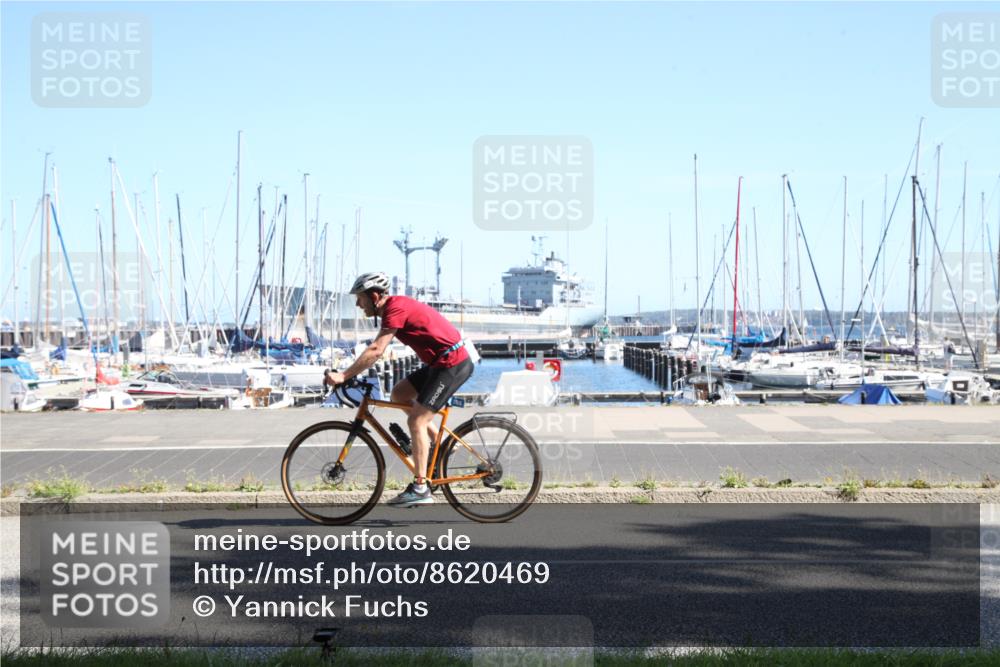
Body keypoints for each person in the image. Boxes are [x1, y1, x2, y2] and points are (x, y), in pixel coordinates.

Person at [324, 272, 474, 507]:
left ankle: (421, 487)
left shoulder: (395, 309)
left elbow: (376, 350)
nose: (357, 304)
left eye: (360, 298)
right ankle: (440, 445)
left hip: (451, 364)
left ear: (374, 296)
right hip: (439, 363)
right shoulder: (392, 309)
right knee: (399, 394)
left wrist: (343, 375)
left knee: (417, 422)